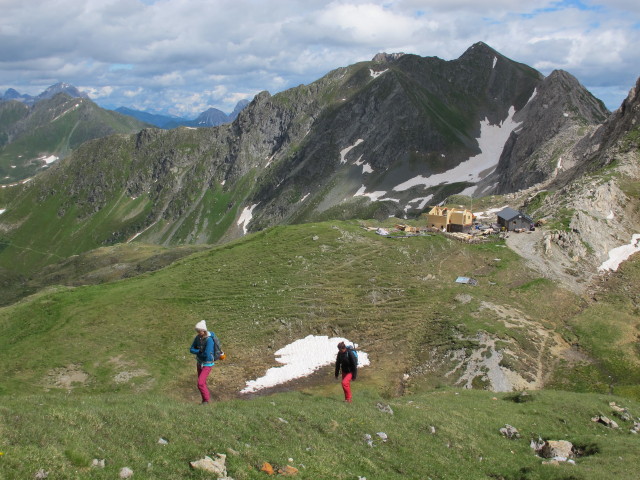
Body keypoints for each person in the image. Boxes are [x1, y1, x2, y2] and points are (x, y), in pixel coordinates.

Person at [189, 320, 221, 404]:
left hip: (207, 364)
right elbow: (191, 349)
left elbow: (207, 354)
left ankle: (206, 400)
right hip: (199, 362)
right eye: (197, 331)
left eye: (199, 331)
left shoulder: (209, 340)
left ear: (204, 330)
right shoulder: (198, 338)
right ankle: (205, 399)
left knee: (200, 383)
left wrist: (198, 351)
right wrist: (199, 351)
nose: (198, 333)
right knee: (202, 383)